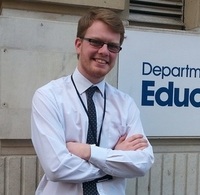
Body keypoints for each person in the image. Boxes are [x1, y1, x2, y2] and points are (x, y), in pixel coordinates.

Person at [31, 8, 154, 195]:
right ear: (78, 44)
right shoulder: (48, 97)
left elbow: (142, 163)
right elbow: (57, 167)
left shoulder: (125, 104)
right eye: (96, 42)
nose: (104, 51)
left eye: (112, 46)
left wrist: (88, 152)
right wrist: (114, 160)